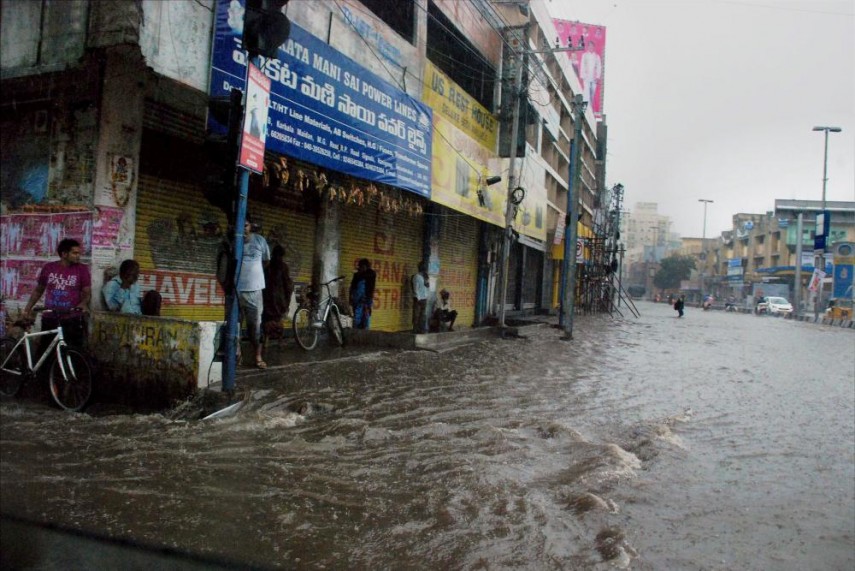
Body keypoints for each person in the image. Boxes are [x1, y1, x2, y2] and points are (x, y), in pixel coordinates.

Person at [23, 237, 91, 347]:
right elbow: (38, 290)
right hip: (50, 317)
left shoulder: (82, 269)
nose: (78, 256)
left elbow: (87, 292)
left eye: (79, 253)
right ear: (64, 254)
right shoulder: (49, 268)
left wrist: (83, 303)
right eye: (74, 253)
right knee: (47, 351)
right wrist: (27, 309)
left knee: (72, 352)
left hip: (71, 318)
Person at [235, 216, 271, 368]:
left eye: (246, 225)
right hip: (236, 291)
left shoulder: (260, 241)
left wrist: (254, 274)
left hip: (255, 291)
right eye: (240, 225)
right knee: (234, 327)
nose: (243, 228)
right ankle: (237, 357)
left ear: (250, 226)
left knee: (255, 328)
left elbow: (266, 261)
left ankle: (258, 357)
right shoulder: (234, 242)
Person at [261, 244, 294, 339]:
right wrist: (287, 302)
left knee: (267, 323)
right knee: (278, 322)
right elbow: (287, 285)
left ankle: (266, 342)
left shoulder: (267, 267)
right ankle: (280, 342)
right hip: (279, 301)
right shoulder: (283, 267)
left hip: (267, 301)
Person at [349, 258, 376, 329]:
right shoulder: (357, 275)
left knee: (366, 319)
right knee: (357, 319)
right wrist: (351, 299)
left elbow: (368, 276)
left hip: (366, 300)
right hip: (358, 300)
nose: (361, 268)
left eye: (362, 267)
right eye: (360, 267)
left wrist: (358, 273)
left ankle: (365, 334)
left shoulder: (371, 274)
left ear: (366, 266)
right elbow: (352, 287)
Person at [579, 40, 602, 107]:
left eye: (592, 46)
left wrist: (598, 76)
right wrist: (582, 76)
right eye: (589, 46)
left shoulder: (597, 56)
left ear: (594, 47)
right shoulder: (585, 55)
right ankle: (585, 107)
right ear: (588, 47)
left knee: (592, 94)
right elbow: (582, 65)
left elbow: (599, 67)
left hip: (594, 78)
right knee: (586, 92)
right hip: (586, 77)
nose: (591, 47)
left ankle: (590, 108)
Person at [411, 261, 428, 333]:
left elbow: (427, 287)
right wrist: (417, 298)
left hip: (424, 298)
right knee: (416, 315)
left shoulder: (425, 277)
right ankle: (415, 329)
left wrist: (427, 281)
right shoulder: (416, 276)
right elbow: (415, 288)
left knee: (423, 315)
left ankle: (421, 329)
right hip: (418, 299)